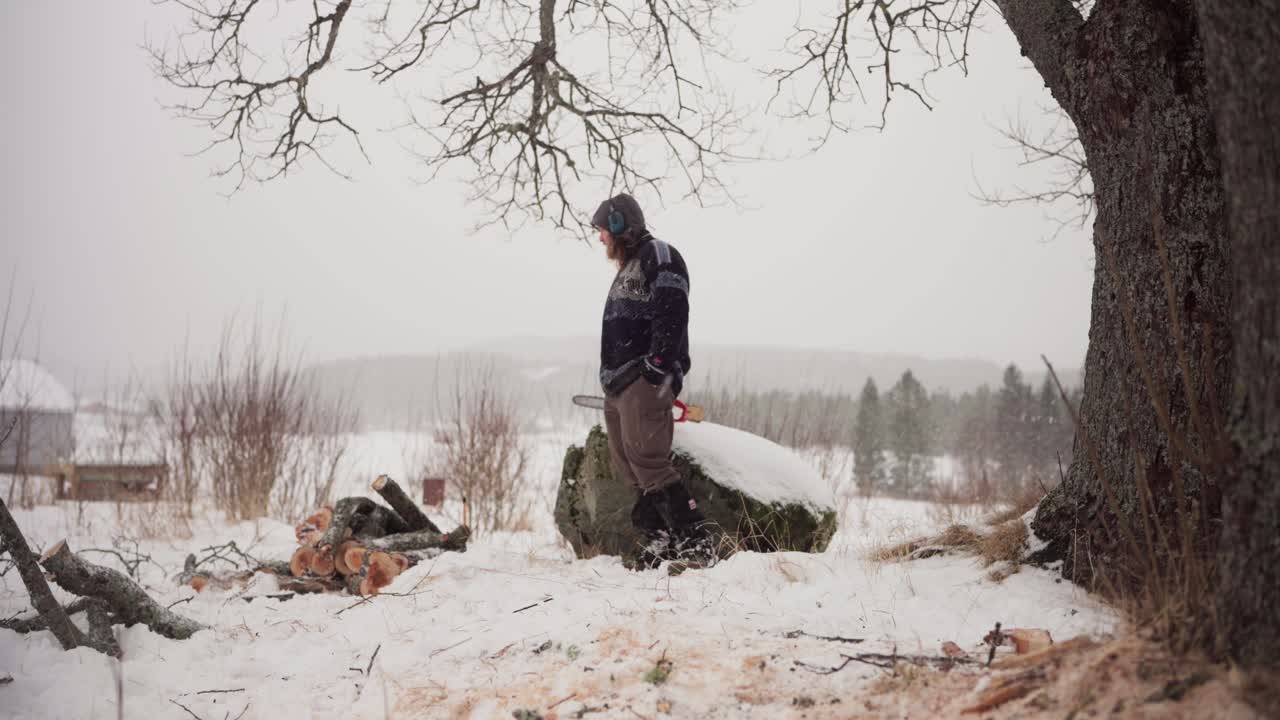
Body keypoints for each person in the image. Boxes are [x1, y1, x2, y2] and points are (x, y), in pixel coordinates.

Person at [591, 192, 710, 567]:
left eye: (602, 229)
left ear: (619, 225)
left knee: (650, 461)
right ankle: (661, 542)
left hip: (645, 380)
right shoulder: (629, 267)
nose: (600, 238)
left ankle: (696, 543)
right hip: (620, 383)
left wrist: (657, 365)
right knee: (630, 465)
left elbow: (672, 309)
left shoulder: (659, 255)